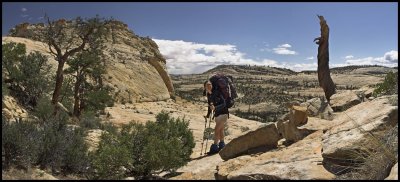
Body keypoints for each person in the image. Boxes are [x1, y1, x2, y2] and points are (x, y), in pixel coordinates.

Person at [203, 80, 229, 154]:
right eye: (207, 85)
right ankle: (222, 145)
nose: (209, 86)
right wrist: (207, 115)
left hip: (224, 113)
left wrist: (215, 108)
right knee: (220, 130)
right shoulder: (208, 95)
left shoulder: (217, 92)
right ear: (204, 87)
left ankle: (214, 147)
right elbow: (210, 106)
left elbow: (224, 104)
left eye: (210, 84)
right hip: (217, 115)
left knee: (216, 129)